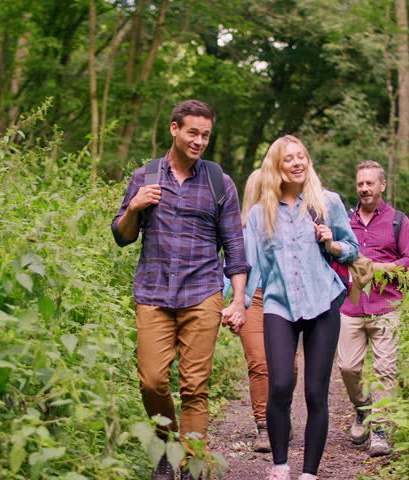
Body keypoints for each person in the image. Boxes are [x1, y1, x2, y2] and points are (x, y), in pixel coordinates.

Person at [111, 100, 249, 480]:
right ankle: (168, 446)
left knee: (194, 386)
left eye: (205, 135)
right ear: (174, 129)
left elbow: (235, 249)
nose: (200, 141)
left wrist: (238, 300)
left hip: (203, 291)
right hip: (153, 292)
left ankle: (189, 462)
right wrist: (134, 207)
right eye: (193, 132)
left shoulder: (220, 182)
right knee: (152, 381)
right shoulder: (145, 176)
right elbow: (123, 237)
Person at [244, 135, 359, 480]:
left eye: (301, 157)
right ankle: (280, 467)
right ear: (276, 168)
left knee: (315, 392)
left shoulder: (326, 203)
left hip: (322, 302)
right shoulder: (259, 213)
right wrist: (238, 304)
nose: (297, 163)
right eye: (288, 159)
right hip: (278, 304)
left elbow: (352, 248)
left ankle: (309, 473)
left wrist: (332, 242)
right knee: (279, 385)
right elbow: (249, 265)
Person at [336, 160, 409, 457]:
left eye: (370, 183)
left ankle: (381, 428)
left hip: (386, 305)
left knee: (385, 369)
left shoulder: (398, 220)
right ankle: (363, 409)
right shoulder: (344, 220)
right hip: (351, 305)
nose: (364, 188)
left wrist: (381, 269)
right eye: (360, 183)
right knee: (347, 367)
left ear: (382, 185)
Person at [229, 169, 298, 453]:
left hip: (282, 298)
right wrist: (234, 303)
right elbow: (230, 268)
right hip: (253, 298)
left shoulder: (288, 221)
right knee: (259, 362)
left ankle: (280, 414)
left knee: (288, 367)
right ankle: (264, 426)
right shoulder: (240, 229)